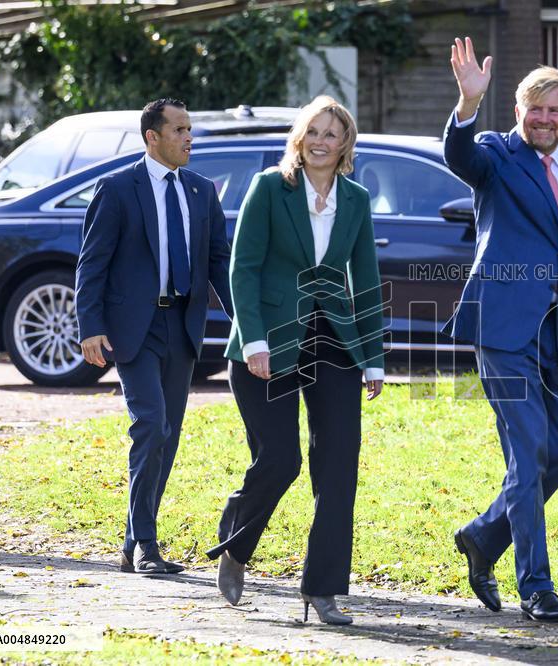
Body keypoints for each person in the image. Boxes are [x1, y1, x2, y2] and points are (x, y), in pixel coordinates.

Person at [443, 38, 558, 622]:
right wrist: (467, 105)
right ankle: (537, 588)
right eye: (534, 108)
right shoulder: (495, 154)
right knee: (529, 451)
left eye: (555, 110)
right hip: (503, 326)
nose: (544, 119)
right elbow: (459, 155)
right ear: (518, 110)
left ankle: (482, 536)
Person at [206, 95, 385, 625]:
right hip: (269, 341)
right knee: (280, 459)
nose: (322, 142)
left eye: (332, 134)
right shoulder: (269, 187)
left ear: (345, 143)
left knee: (338, 466)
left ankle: (323, 587)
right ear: (299, 138)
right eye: (314, 131)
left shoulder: (355, 199)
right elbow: (244, 268)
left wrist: (373, 357)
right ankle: (236, 546)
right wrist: (255, 339)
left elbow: (367, 280)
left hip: (335, 341)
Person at [75, 98, 234, 575]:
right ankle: (146, 544)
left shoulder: (202, 192)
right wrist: (90, 327)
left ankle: (131, 542)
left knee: (168, 437)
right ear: (153, 137)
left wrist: (245, 319)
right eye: (180, 130)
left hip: (182, 327)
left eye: (191, 129)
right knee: (151, 426)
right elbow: (92, 263)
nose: (190, 138)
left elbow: (218, 263)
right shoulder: (118, 189)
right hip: (133, 329)